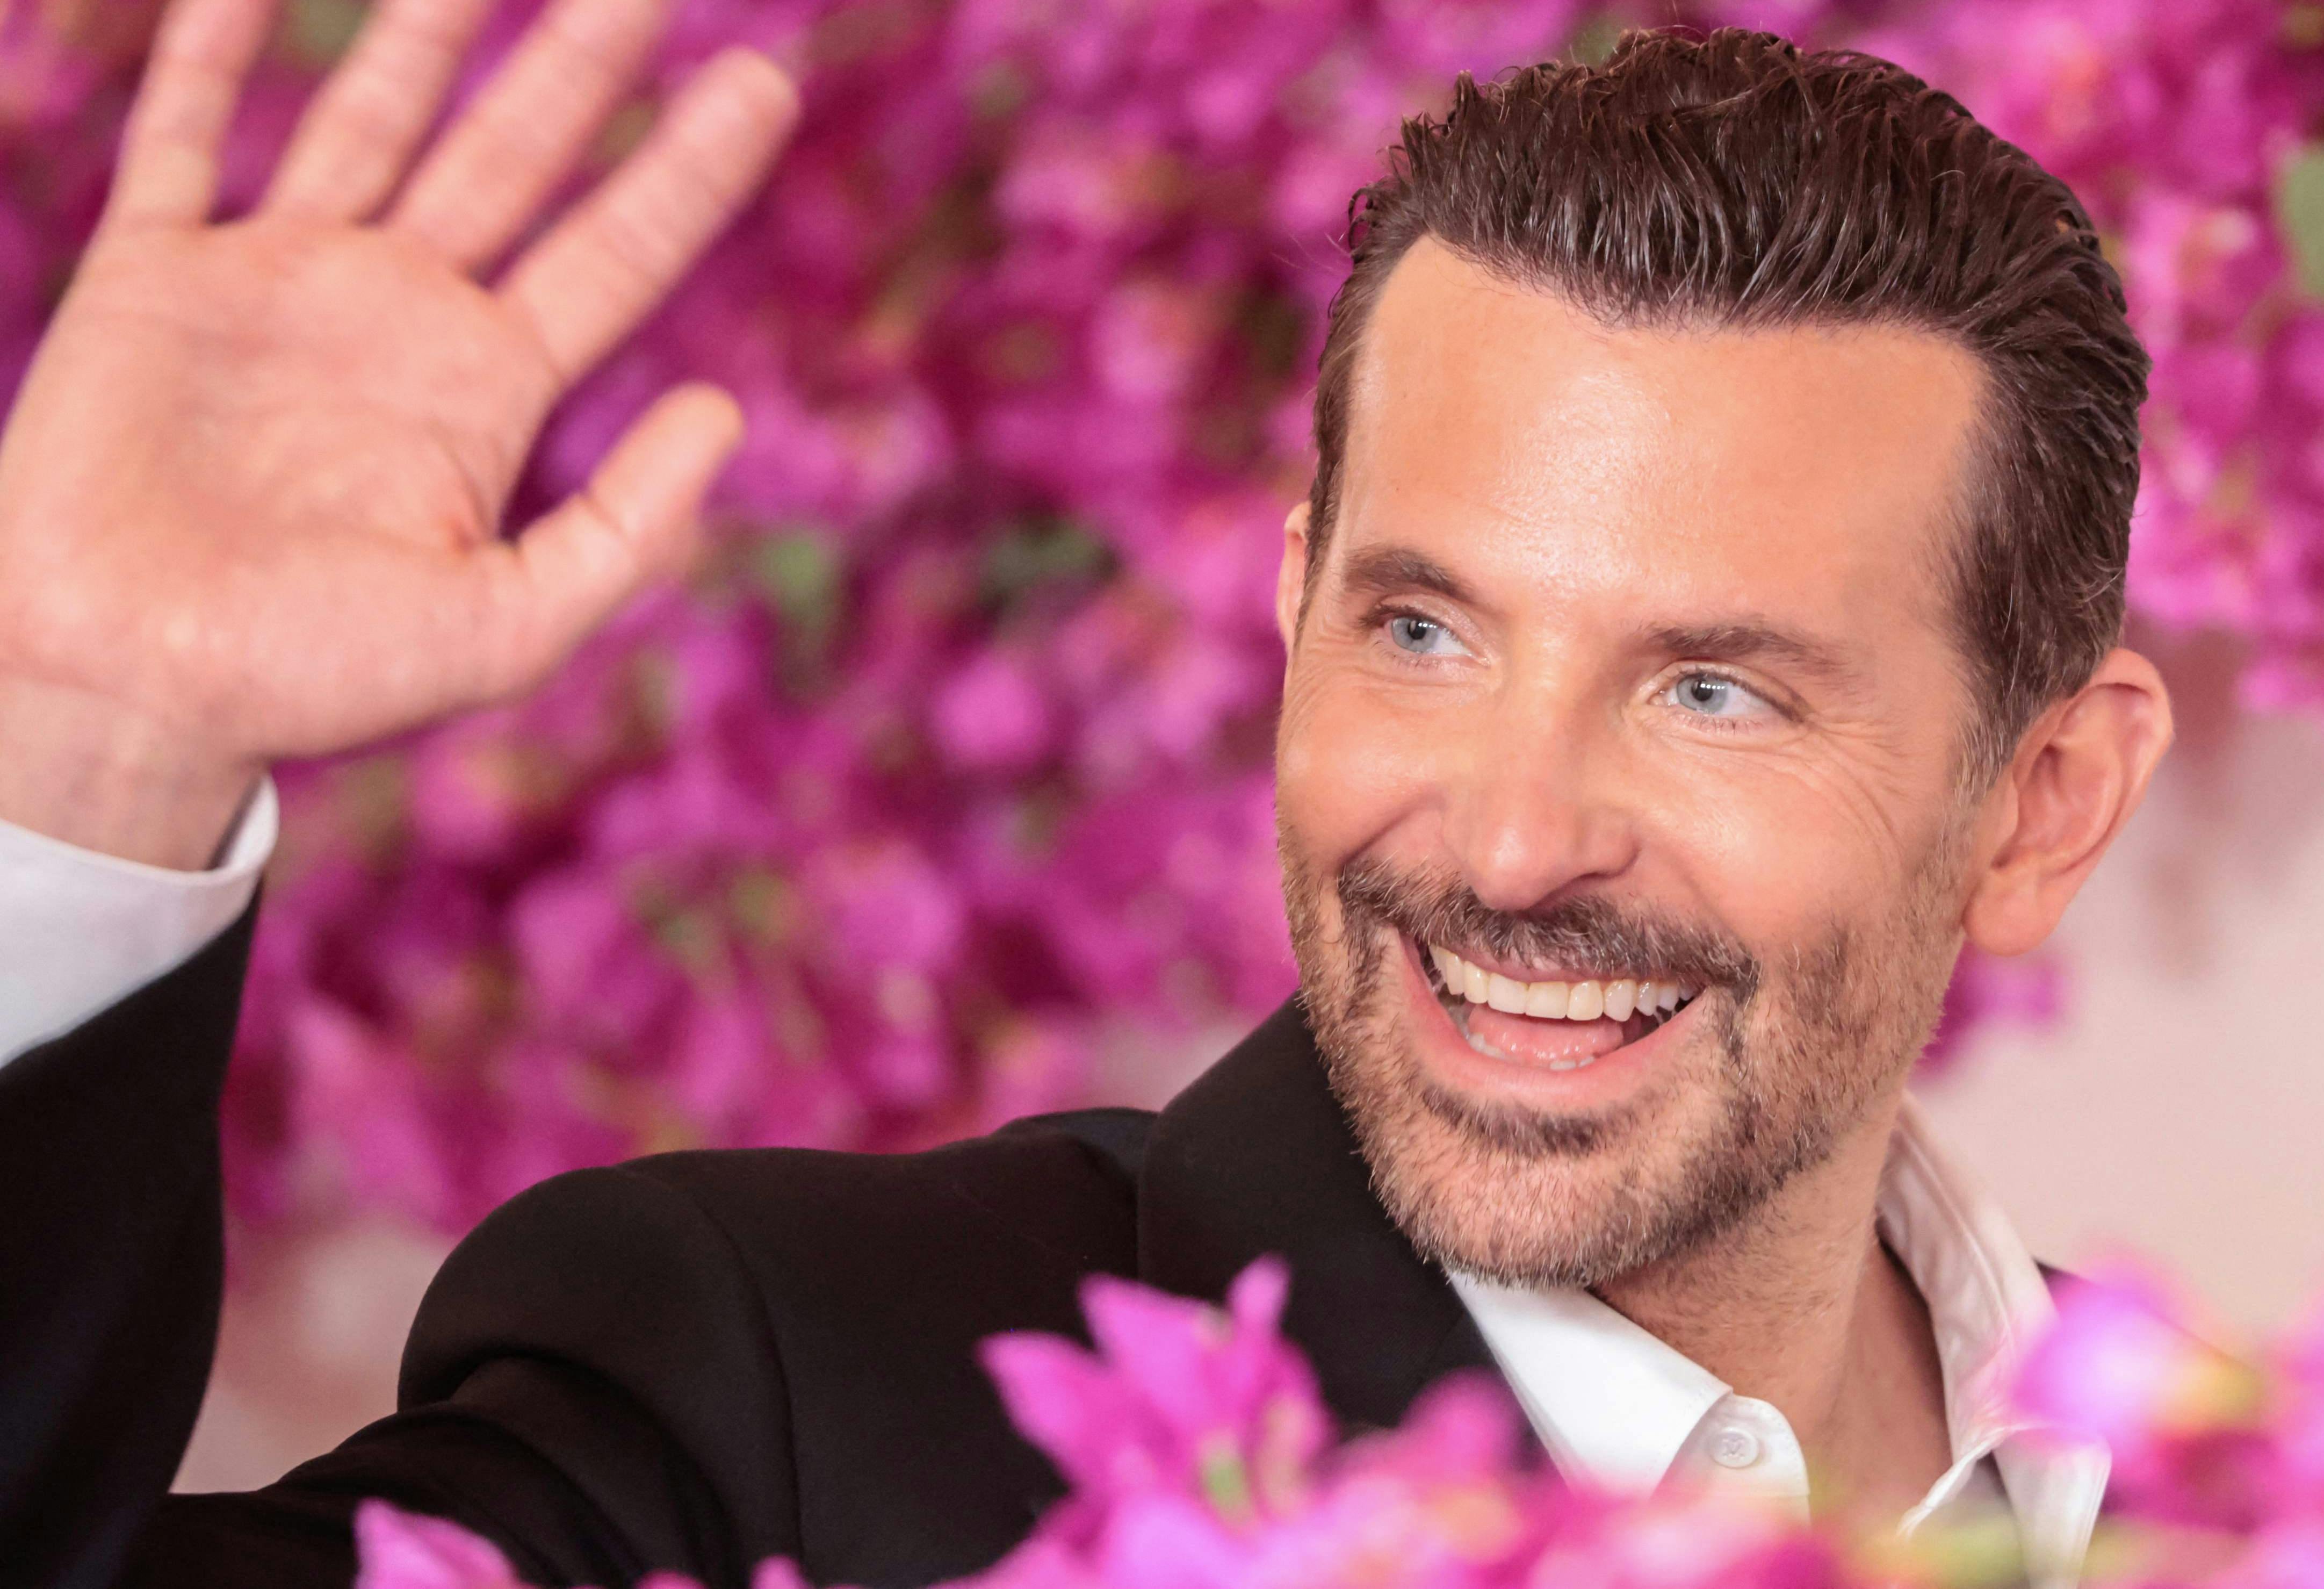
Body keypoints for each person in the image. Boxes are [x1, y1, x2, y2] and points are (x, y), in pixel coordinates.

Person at [0, 0, 2173, 1585]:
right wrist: (93, 736)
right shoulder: (772, 1397)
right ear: (1296, 606)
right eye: (1425, 634)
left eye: (1710, 691)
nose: (1511, 843)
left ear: (2045, 801)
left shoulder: (2228, 1491)